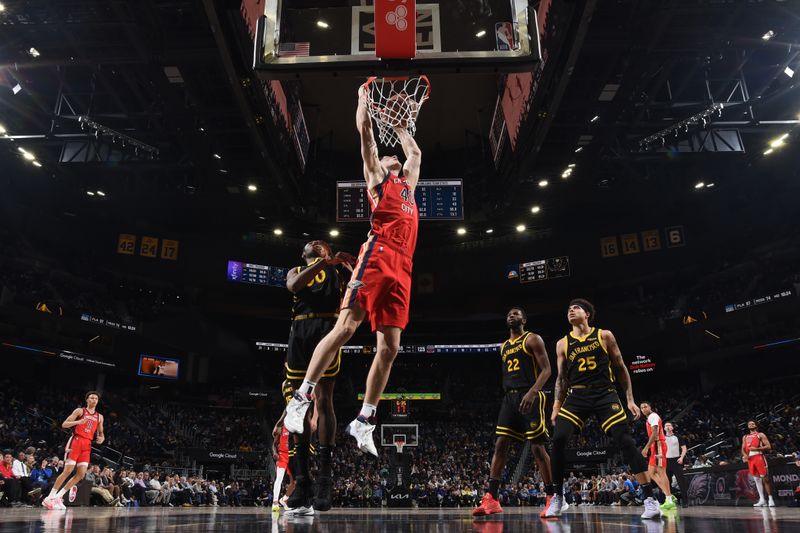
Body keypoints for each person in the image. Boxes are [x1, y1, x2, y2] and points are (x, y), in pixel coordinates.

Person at [284, 84, 422, 458]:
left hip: (403, 268)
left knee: (390, 347)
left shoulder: (409, 185)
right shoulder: (378, 179)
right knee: (345, 328)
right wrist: (364, 102)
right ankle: (300, 398)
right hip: (377, 256)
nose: (395, 157)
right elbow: (365, 134)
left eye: (397, 157)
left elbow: (415, 152)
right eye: (391, 156)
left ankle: (364, 420)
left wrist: (400, 123)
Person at [544, 299, 661, 520]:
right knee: (558, 439)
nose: (571, 310)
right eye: (568, 308)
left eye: (576, 308)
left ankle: (649, 499)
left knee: (625, 440)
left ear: (587, 314)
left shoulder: (604, 335)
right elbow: (561, 378)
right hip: (576, 395)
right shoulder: (562, 343)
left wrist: (629, 399)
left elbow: (619, 366)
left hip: (605, 393)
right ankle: (558, 497)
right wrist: (556, 406)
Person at [280, 240, 353, 514]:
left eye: (320, 243)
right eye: (312, 243)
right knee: (298, 406)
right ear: (306, 253)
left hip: (327, 329)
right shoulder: (296, 269)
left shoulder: (339, 271)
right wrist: (326, 261)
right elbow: (293, 286)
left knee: (324, 402)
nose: (316, 243)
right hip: (300, 333)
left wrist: (348, 267)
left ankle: (324, 478)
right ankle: (302, 480)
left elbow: (361, 287)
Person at [473, 307, 559, 518]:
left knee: (538, 448)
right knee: (500, 444)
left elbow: (547, 370)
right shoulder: (503, 347)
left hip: (531, 395)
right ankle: (492, 498)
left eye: (516, 313)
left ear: (524, 319)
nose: (511, 315)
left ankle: (551, 497)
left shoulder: (532, 339)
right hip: (510, 399)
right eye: (509, 314)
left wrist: (531, 393)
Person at [43, 391, 105, 510]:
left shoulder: (100, 417)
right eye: (91, 398)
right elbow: (64, 424)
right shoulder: (80, 411)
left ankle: (58, 497)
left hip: (87, 444)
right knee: (67, 471)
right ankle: (49, 498)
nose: (93, 400)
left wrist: (101, 439)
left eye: (96, 399)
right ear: (87, 400)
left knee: (81, 474)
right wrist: (78, 422)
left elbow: (101, 434)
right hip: (76, 441)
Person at [640, 401, 676, 510]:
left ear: (650, 407)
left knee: (661, 472)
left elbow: (655, 433)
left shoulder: (653, 416)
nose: (643, 409)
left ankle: (669, 499)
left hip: (658, 444)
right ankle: (668, 494)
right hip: (655, 446)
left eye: (645, 406)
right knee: (650, 473)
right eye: (641, 408)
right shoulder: (649, 418)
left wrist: (646, 448)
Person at [742, 419, 776, 507]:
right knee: (756, 480)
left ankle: (770, 499)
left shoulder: (760, 434)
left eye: (753, 423)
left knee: (765, 479)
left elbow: (768, 446)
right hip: (750, 459)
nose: (751, 425)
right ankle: (762, 500)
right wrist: (745, 455)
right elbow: (742, 448)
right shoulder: (745, 437)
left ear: (756, 425)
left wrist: (756, 449)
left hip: (759, 457)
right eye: (749, 424)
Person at [272, 420, 295, 513]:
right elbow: (274, 445)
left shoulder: (296, 429)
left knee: (294, 482)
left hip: (292, 456)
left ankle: (284, 499)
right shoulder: (281, 429)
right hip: (282, 456)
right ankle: (275, 502)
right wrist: (274, 452)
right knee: (279, 478)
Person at [664, 422, 688, 508]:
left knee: (681, 482)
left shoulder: (678, 437)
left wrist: (681, 458)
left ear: (672, 427)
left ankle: (685, 501)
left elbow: (684, 448)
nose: (667, 427)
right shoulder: (662, 438)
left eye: (669, 425)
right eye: (666, 426)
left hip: (676, 460)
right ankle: (670, 500)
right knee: (667, 483)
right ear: (664, 428)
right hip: (666, 461)